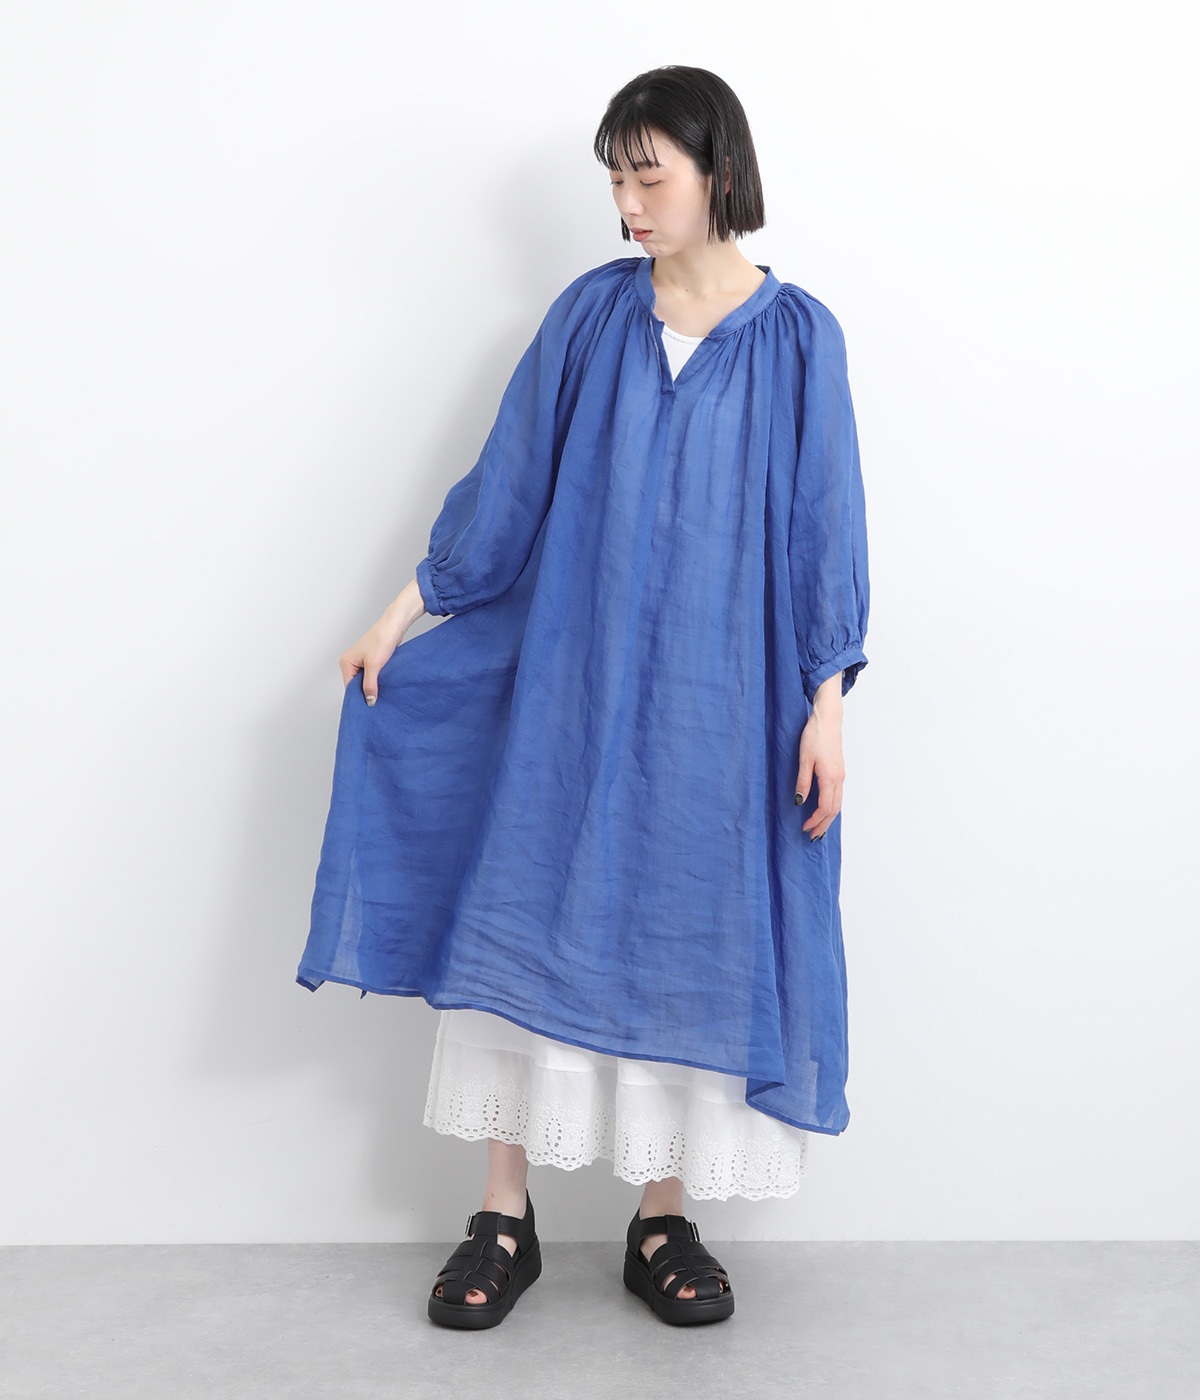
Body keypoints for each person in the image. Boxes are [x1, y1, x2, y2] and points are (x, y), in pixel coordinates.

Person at [295, 65, 870, 1330]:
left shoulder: (799, 339)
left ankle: (662, 1219)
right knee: (527, 902)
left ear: (720, 171)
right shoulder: (591, 317)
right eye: (615, 177)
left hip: (723, 705)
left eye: (649, 175)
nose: (628, 203)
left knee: (695, 925)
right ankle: (503, 1216)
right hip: (567, 684)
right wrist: (402, 611)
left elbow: (824, 532)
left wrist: (827, 702)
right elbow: (507, 486)